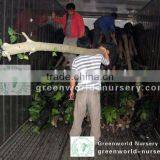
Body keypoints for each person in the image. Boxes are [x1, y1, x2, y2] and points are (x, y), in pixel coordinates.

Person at [69, 39, 110, 143]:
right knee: (95, 117)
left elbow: (73, 78)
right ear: (90, 45)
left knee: (78, 118)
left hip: (81, 92)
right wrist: (104, 51)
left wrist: (72, 92)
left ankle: (74, 139)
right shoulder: (97, 55)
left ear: (78, 48)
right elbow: (107, 62)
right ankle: (95, 140)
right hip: (94, 92)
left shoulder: (76, 60)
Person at [52, 3, 85, 67]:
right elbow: (61, 20)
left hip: (74, 37)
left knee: (72, 52)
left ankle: (72, 66)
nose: (69, 12)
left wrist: (80, 36)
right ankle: (67, 62)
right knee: (64, 50)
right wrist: (54, 18)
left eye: (71, 10)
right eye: (68, 10)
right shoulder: (66, 16)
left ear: (73, 10)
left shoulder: (78, 16)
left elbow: (81, 27)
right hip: (67, 37)